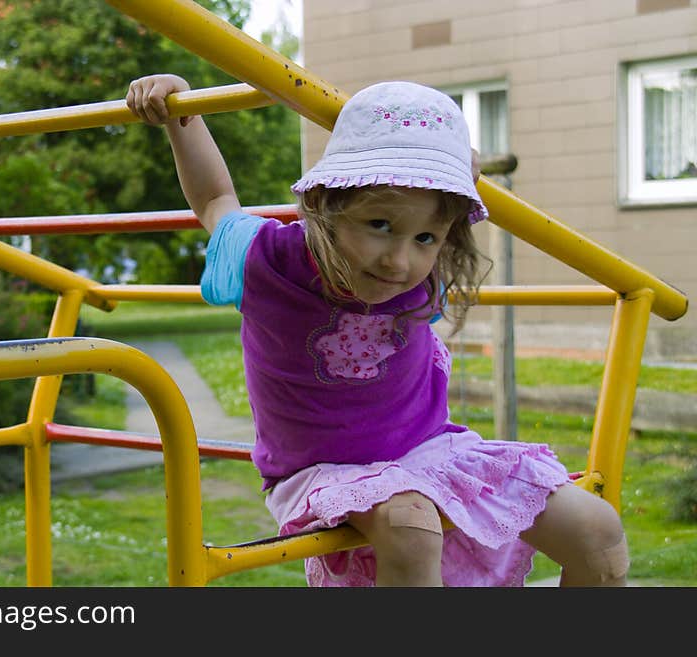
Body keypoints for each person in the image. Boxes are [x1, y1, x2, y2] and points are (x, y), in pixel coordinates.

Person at [126, 73, 629, 587]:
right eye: (379, 226)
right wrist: (179, 111)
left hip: (428, 452)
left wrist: (457, 165)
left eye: (425, 237)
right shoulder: (270, 259)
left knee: (597, 528)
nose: (398, 260)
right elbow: (215, 200)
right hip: (323, 470)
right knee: (410, 524)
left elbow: (438, 212)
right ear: (327, 203)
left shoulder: (422, 268)